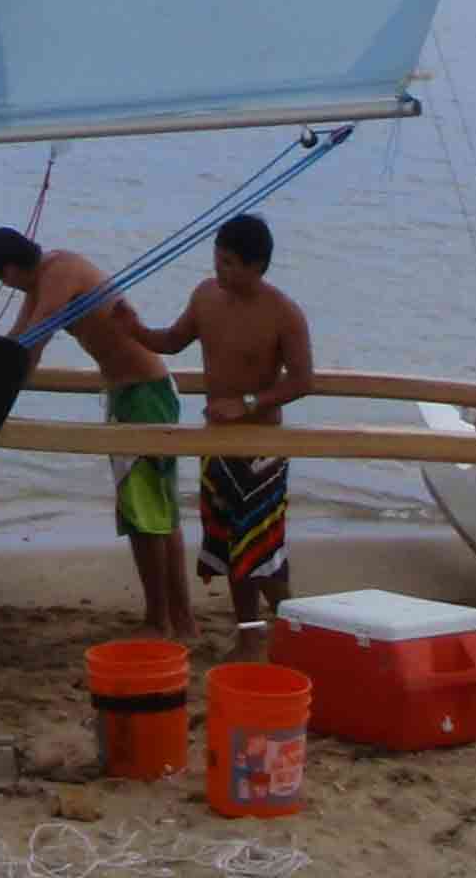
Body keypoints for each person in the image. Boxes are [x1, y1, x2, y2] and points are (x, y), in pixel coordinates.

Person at [0, 225, 195, 643]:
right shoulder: (43, 279)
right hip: (130, 390)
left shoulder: (59, 273)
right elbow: (13, 345)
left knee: (147, 513)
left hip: (144, 393)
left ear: (9, 268)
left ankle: (162, 621)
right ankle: (178, 619)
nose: (7, 287)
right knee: (154, 510)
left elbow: (30, 347)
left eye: (1, 278)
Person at [139, 213, 315, 641]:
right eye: (218, 260)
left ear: (257, 267)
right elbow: (174, 340)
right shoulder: (205, 296)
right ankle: (253, 634)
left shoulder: (284, 313)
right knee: (231, 544)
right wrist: (134, 330)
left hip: (261, 446)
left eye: (230, 264)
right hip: (216, 443)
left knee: (260, 548)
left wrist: (250, 404)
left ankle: (294, 624)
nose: (220, 270)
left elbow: (302, 380)